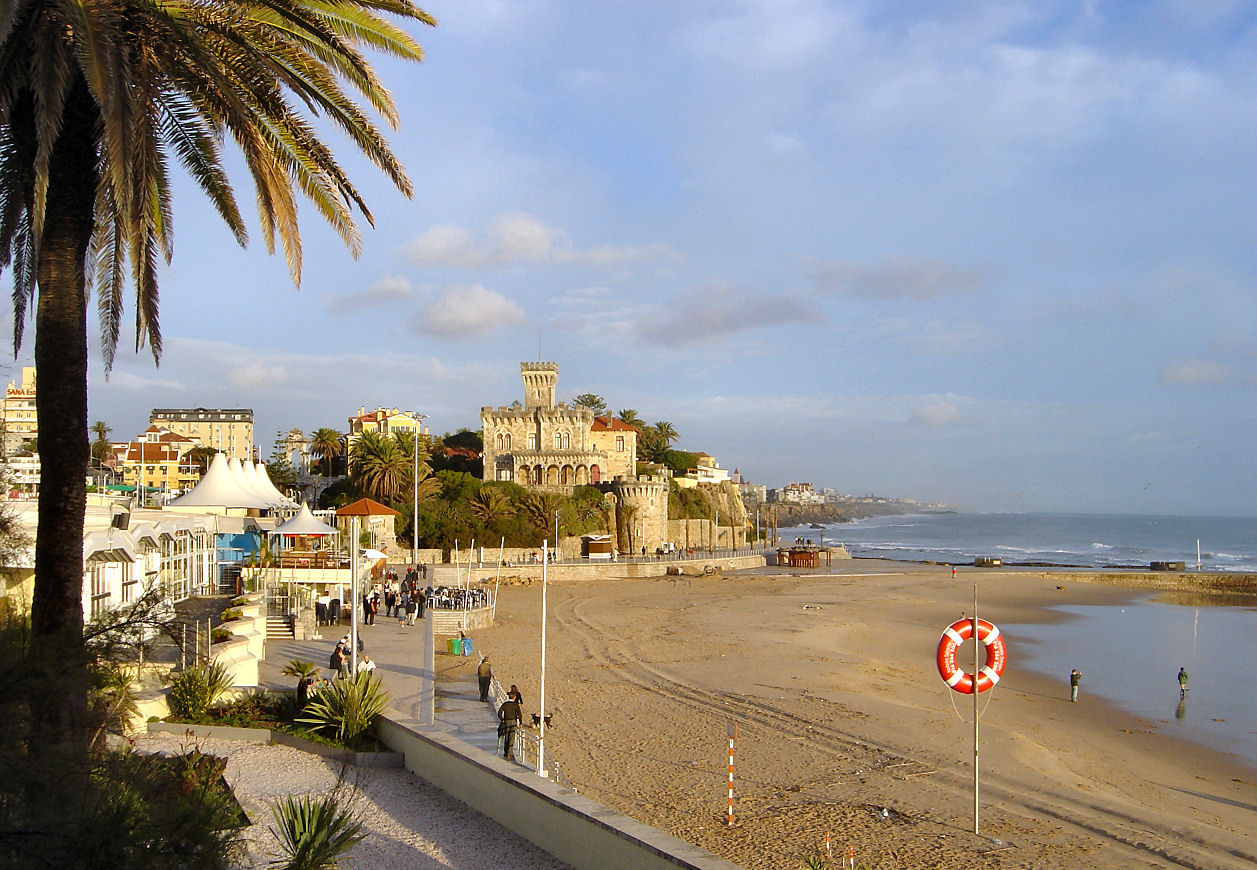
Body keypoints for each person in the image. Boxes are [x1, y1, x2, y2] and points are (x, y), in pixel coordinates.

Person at [498, 692, 522, 760]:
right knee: (511, 737)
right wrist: (520, 723)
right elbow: (519, 714)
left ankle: (506, 752)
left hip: (506, 721)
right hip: (513, 722)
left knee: (507, 737)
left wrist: (502, 719)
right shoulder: (515, 705)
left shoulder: (505, 704)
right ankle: (510, 753)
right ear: (514, 697)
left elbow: (500, 712)